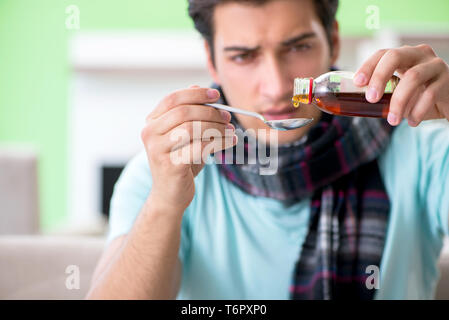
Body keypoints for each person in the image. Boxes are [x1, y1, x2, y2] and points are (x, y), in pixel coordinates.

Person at [86, 0, 449, 300]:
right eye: (244, 56)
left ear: (333, 40)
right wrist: (165, 202)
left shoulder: (423, 148)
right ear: (212, 61)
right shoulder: (163, 172)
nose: (276, 88)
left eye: (298, 47)